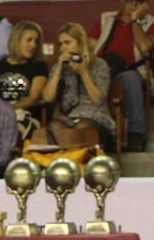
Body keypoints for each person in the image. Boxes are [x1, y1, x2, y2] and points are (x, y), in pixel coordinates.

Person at [91, 0, 154, 151]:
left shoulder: (152, 23)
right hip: (101, 70)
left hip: (131, 72)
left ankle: (136, 134)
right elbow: (89, 45)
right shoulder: (105, 19)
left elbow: (145, 47)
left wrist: (135, 20)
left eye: (139, 0)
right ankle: (98, 134)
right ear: (122, 0)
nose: (133, 4)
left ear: (146, 3)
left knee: (130, 79)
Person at [43, 21, 115, 151]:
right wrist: (58, 69)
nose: (63, 48)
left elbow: (98, 99)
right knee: (54, 126)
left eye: (67, 42)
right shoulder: (58, 67)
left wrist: (83, 72)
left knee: (83, 126)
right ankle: (65, 162)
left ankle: (79, 161)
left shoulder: (99, 64)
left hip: (95, 118)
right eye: (60, 44)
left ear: (81, 42)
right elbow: (47, 98)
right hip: (68, 119)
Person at [0, 20, 47, 141]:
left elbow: (34, 98)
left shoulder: (38, 67)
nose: (33, 45)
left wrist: (8, 110)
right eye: (29, 40)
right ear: (16, 39)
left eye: (36, 41)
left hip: (25, 117)